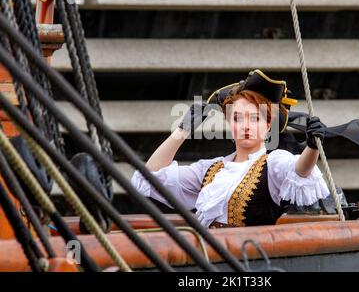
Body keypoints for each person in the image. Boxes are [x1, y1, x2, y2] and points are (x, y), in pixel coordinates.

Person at [131, 69, 330, 228]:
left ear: (268, 126)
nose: (245, 125)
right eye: (237, 118)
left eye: (254, 118)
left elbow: (301, 170)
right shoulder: (211, 169)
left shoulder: (274, 162)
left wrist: (312, 146)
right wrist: (182, 131)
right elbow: (150, 176)